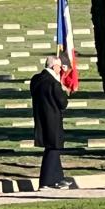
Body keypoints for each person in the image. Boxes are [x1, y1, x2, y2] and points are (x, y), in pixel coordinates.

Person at [31, 56, 71, 190]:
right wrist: (64, 90)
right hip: (53, 120)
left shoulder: (36, 80)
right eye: (59, 67)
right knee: (53, 148)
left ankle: (58, 179)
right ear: (54, 67)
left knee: (52, 148)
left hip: (41, 118)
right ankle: (46, 181)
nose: (61, 70)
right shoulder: (54, 83)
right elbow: (63, 103)